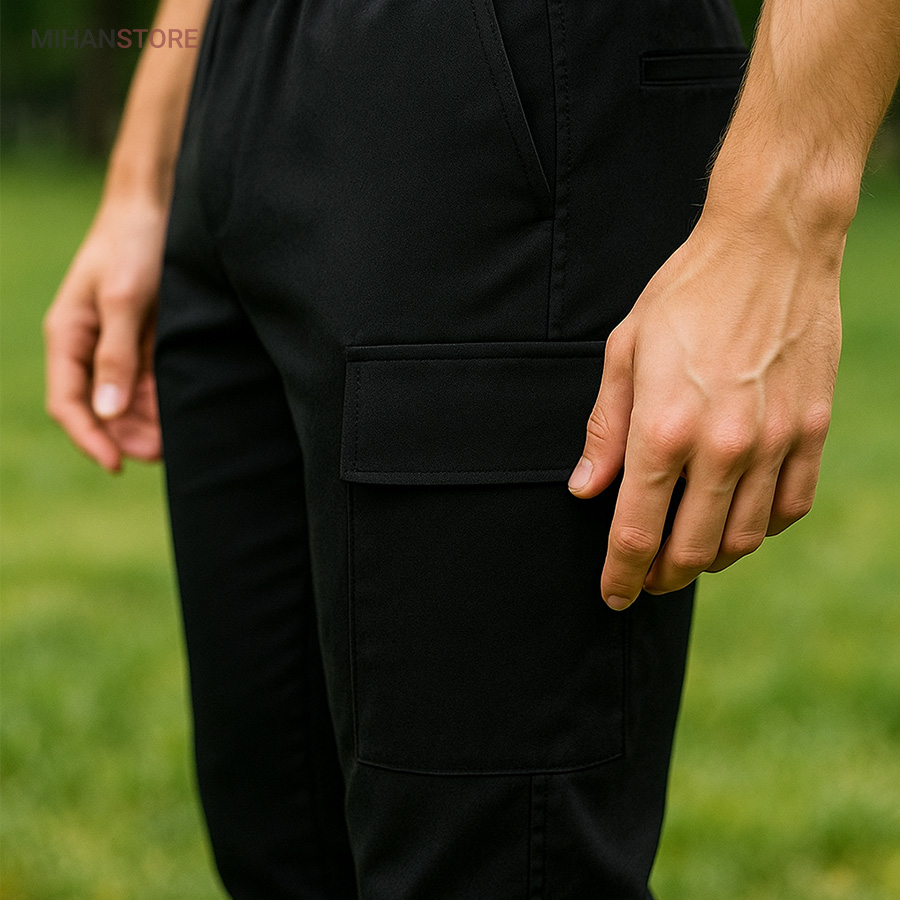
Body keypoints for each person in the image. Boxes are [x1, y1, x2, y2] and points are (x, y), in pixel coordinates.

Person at [43, 0, 900, 897]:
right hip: (239, 75)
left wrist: (780, 220)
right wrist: (143, 174)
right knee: (277, 852)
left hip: (510, 80)